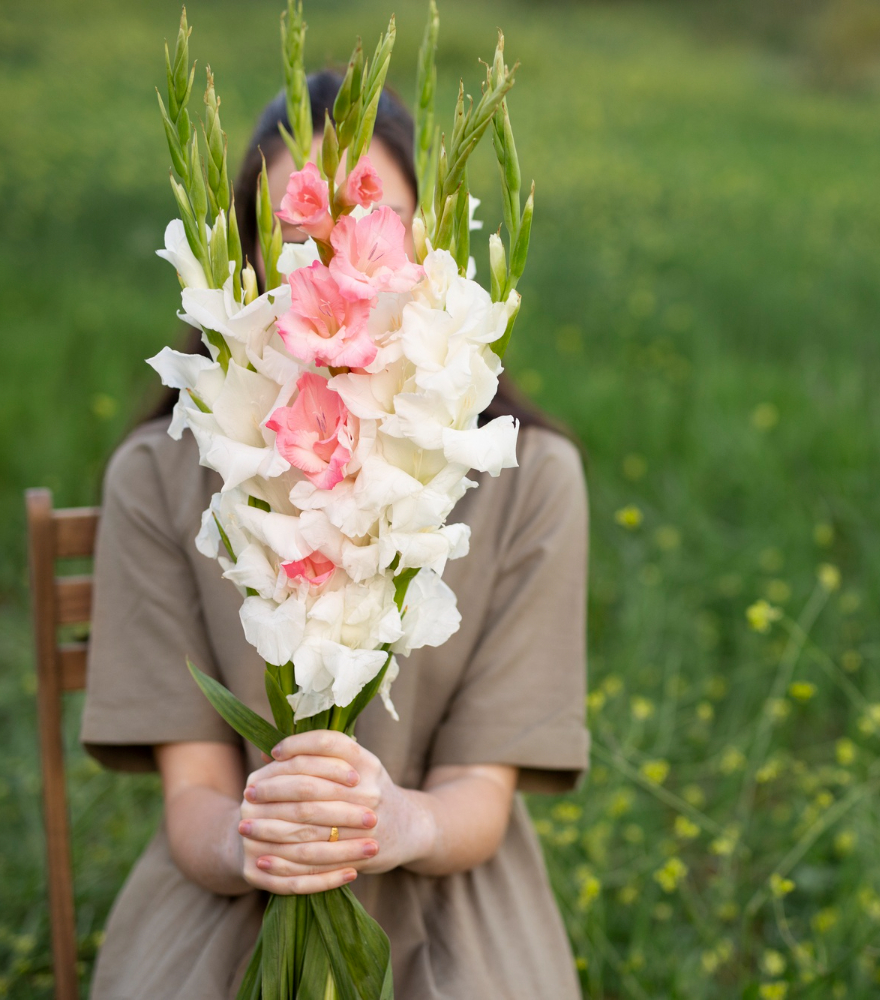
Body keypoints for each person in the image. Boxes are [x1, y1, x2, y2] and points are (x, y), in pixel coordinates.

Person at [80, 72, 589, 999]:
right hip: (235, 893)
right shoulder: (162, 471)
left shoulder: (524, 477)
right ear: (243, 260)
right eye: (296, 235)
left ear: (429, 253)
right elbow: (195, 798)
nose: (333, 267)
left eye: (369, 230)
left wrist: (399, 823)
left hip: (449, 900)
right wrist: (256, 840)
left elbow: (481, 792)